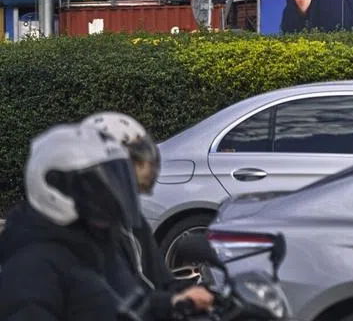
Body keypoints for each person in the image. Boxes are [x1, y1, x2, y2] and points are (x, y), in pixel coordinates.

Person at [0, 124, 150, 320]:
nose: (109, 198)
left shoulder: (93, 248)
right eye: (95, 188)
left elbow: (125, 302)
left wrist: (170, 304)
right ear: (54, 185)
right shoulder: (32, 267)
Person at [81, 112, 215, 318]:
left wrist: (192, 291)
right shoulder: (80, 230)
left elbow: (159, 279)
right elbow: (111, 298)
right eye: (132, 163)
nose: (142, 173)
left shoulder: (131, 222)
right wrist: (171, 302)